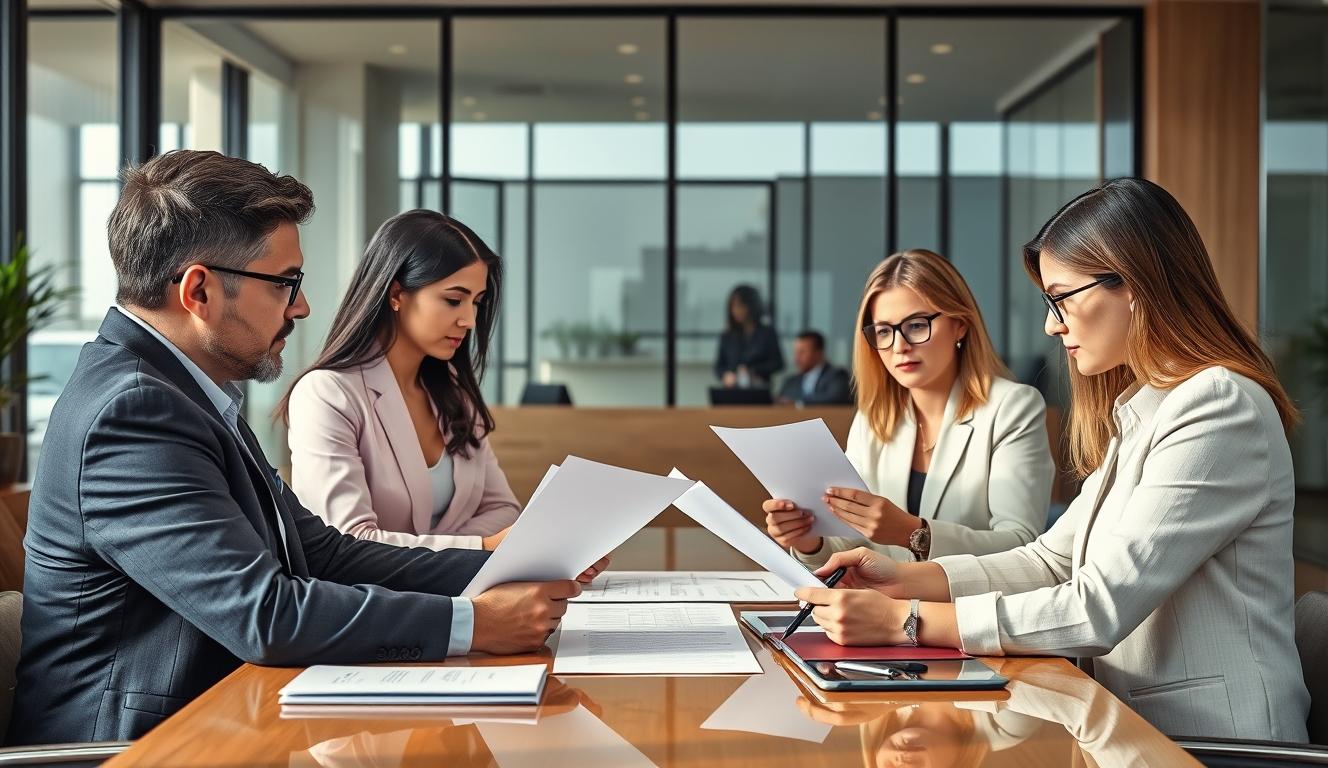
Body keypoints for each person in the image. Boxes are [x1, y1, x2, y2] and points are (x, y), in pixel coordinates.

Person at [7, 150, 596, 746]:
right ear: (199, 290)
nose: (303, 306)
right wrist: (474, 623)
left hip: (223, 720)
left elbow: (323, 554)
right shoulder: (134, 411)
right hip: (135, 748)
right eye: (285, 283)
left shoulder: (186, 393)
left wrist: (509, 567)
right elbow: (264, 614)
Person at [796, 179, 1309, 742]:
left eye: (1061, 298)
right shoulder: (1145, 409)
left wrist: (907, 621)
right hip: (1129, 731)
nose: (1051, 324)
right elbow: (1050, 561)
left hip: (1215, 744)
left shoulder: (1218, 406)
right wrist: (904, 579)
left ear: (1135, 285)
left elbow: (1098, 608)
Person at [764, 249, 1053, 565]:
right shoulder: (873, 418)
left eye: (916, 325)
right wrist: (809, 540)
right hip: (880, 596)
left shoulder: (1013, 408)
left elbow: (1021, 547)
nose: (899, 346)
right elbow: (850, 540)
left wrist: (912, 533)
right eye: (884, 331)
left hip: (965, 598)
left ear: (960, 325)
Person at [283, 210, 518, 551]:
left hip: (467, 582)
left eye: (477, 302)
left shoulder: (455, 393)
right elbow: (349, 544)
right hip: (370, 589)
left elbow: (504, 509)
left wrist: (461, 550)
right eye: (453, 300)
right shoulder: (327, 395)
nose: (469, 320)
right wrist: (477, 547)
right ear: (396, 294)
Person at [713, 284, 783, 389]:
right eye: (733, 306)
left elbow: (778, 363)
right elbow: (718, 367)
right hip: (732, 390)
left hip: (758, 389)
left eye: (741, 306)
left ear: (751, 305)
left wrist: (753, 370)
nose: (736, 310)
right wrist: (726, 375)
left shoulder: (767, 332)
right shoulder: (727, 335)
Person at [776, 330, 853, 405]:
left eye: (802, 352)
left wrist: (798, 402)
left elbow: (835, 399)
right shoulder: (791, 382)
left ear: (818, 353)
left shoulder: (837, 376)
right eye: (796, 352)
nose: (797, 358)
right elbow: (781, 401)